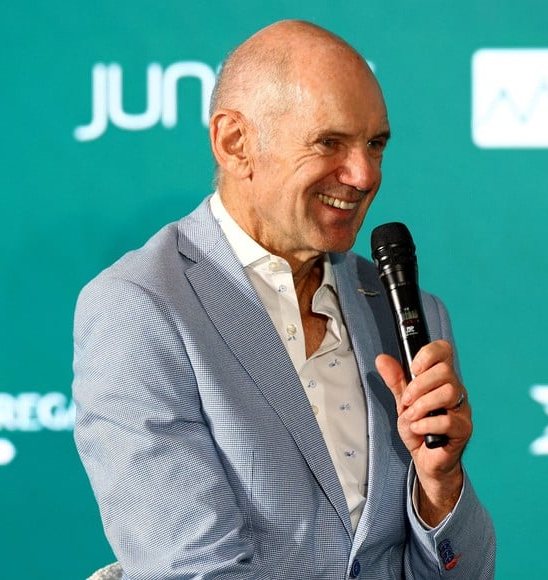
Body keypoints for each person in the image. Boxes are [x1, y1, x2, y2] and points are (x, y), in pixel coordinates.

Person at [73, 19, 496, 579]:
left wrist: (440, 490)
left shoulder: (406, 312)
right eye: (330, 142)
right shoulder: (141, 306)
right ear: (234, 142)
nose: (364, 173)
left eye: (375, 144)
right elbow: (193, 570)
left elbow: (461, 572)